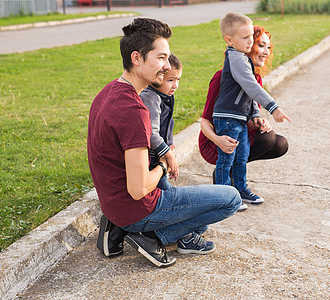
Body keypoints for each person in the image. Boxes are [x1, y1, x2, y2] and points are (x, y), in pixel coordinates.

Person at [88, 18, 241, 268]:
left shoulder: (109, 91)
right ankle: (149, 235)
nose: (167, 66)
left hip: (115, 204)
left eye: (167, 58)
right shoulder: (133, 110)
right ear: (136, 58)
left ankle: (127, 227)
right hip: (137, 208)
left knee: (196, 208)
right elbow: (138, 189)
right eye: (160, 58)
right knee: (231, 199)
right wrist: (162, 163)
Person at [199, 26, 289, 208]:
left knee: (279, 143)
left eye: (268, 47)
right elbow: (205, 121)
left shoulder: (256, 78)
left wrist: (258, 121)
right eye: (261, 45)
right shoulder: (220, 78)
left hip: (238, 133)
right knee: (268, 140)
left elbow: (246, 111)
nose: (266, 52)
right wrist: (218, 140)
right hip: (216, 141)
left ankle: (238, 187)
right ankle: (223, 185)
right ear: (247, 46)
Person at [139, 53, 182, 191]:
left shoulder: (165, 95)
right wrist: (169, 155)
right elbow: (151, 134)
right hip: (151, 161)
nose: (175, 85)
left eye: (178, 79)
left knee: (164, 190)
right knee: (167, 194)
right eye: (170, 80)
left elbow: (166, 123)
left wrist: (169, 144)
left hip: (160, 154)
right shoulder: (151, 97)